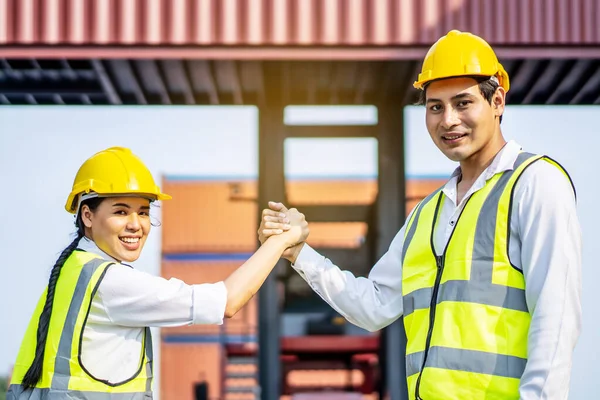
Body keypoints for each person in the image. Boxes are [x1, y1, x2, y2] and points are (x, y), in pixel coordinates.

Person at [259, 30, 582, 400]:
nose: (448, 120)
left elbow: (556, 320)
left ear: (498, 101)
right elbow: (373, 307)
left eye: (463, 103)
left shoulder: (535, 184)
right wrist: (300, 253)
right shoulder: (427, 214)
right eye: (435, 107)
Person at [8, 146, 308, 399]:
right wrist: (282, 240)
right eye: (120, 211)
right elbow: (226, 301)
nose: (136, 224)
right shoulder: (110, 282)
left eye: (143, 211)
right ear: (87, 214)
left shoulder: (74, 271)